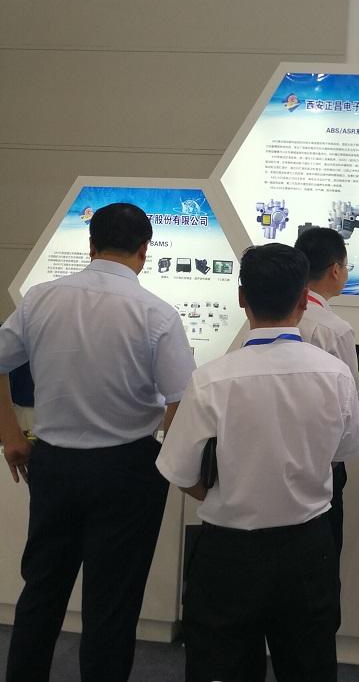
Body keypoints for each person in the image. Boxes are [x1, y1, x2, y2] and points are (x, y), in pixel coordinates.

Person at [0, 202, 195, 682]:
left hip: (53, 465)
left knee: (41, 592)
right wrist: (164, 461)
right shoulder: (157, 314)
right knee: (112, 605)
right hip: (128, 470)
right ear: (144, 250)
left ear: (90, 246)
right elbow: (180, 401)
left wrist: (10, 437)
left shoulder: (40, 298)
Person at [156, 243, 359, 682]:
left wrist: (224, 493)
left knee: (222, 668)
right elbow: (341, 453)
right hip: (308, 547)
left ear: (241, 297)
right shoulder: (336, 374)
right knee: (309, 669)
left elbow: (180, 471)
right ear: (302, 300)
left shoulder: (211, 379)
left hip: (228, 551)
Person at [294, 226, 359, 558]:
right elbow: (353, 402)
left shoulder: (279, 313)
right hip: (322, 461)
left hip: (274, 454)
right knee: (321, 552)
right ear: (336, 270)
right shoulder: (334, 328)